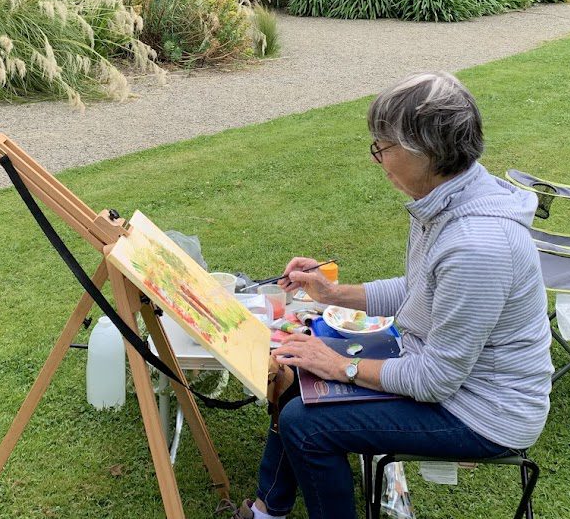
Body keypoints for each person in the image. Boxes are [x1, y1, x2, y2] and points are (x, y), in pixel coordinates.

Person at [235, 72, 553, 519]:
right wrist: (332, 293)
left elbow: (436, 380)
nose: (377, 158)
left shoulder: (476, 245)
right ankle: (268, 511)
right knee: (299, 368)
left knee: (306, 425)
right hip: (443, 375)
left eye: (383, 147)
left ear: (425, 150)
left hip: (484, 412)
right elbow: (419, 290)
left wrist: (342, 366)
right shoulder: (448, 201)